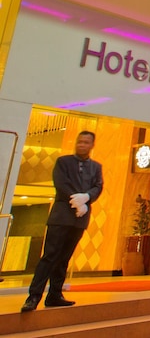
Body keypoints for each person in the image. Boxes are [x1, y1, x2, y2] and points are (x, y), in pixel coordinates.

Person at [21, 130, 104, 312]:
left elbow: (98, 186)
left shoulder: (96, 167)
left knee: (64, 258)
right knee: (50, 256)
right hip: (61, 216)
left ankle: (55, 295)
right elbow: (61, 184)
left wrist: (87, 197)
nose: (82, 145)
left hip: (80, 219)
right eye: (79, 141)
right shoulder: (63, 162)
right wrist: (77, 201)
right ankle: (33, 296)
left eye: (86, 142)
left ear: (92, 145)